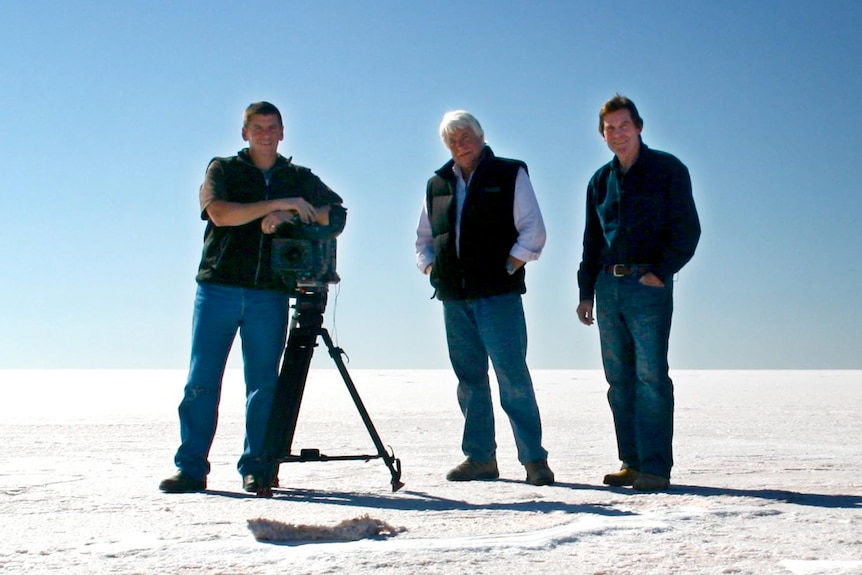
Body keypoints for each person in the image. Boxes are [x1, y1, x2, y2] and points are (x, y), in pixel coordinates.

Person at [160, 102, 342, 494]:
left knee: (263, 385)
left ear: (282, 132)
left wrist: (290, 218)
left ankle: (258, 467)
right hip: (218, 289)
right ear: (245, 133)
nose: (265, 133)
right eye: (257, 127)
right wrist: (276, 204)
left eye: (272, 127)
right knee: (201, 382)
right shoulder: (223, 170)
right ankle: (191, 468)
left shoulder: (298, 177)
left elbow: (336, 213)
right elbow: (220, 213)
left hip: (269, 295)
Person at [415, 110, 554, 486]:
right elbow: (423, 240)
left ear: (480, 136)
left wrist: (508, 267)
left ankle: (534, 461)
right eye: (452, 139)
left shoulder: (509, 173)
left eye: (466, 136)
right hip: (454, 300)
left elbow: (533, 231)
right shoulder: (438, 183)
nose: (461, 144)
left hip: (498, 297)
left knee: (512, 377)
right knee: (469, 380)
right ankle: (480, 459)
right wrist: (432, 269)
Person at [576, 94, 701, 492]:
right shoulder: (600, 181)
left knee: (650, 376)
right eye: (609, 128)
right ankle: (630, 462)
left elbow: (687, 230)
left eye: (623, 125)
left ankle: (655, 468)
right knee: (619, 380)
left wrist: (660, 273)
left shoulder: (667, 169)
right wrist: (586, 292)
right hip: (608, 287)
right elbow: (592, 242)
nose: (617, 134)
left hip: (647, 286)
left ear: (639, 126)